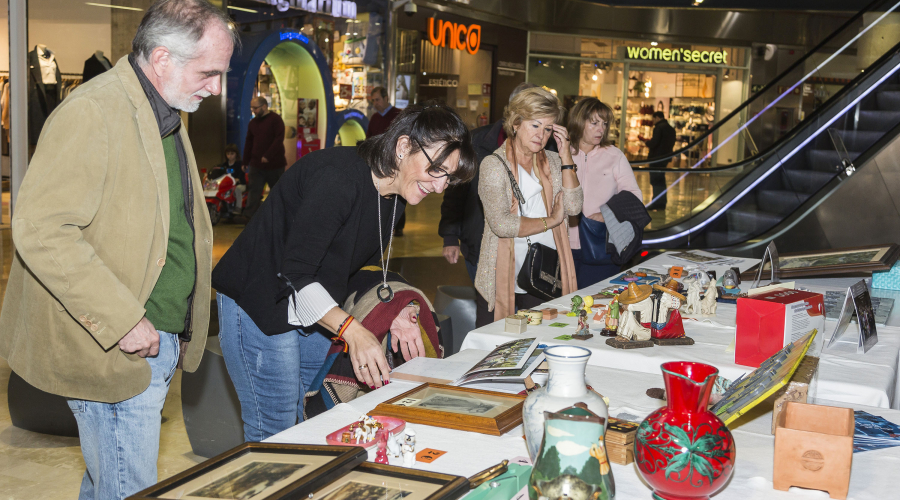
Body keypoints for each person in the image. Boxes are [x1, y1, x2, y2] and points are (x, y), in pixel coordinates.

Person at [0, 1, 237, 498]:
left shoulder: (164, 111)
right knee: (129, 489)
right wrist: (123, 318)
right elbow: (42, 228)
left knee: (108, 483)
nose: (216, 88)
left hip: (154, 341)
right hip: (117, 348)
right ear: (162, 58)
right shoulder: (93, 111)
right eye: (209, 72)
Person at [211, 104, 477, 442]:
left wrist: (393, 309)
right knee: (273, 429)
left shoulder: (393, 201)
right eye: (436, 168)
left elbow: (352, 268)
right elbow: (297, 272)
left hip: (313, 308)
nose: (440, 187)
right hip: (259, 300)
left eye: (448, 178)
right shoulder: (338, 177)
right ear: (403, 146)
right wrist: (354, 331)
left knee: (303, 417)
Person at [474, 87, 583, 327]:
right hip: (502, 275)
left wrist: (566, 157)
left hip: (545, 273)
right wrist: (551, 221)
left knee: (542, 345)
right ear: (515, 123)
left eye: (547, 129)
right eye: (535, 125)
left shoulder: (554, 162)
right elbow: (502, 224)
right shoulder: (493, 166)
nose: (541, 135)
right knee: (496, 347)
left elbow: (574, 207)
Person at [439, 82, 537, 283]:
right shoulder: (476, 142)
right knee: (490, 311)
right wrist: (450, 237)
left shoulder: (546, 146)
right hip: (481, 245)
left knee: (523, 312)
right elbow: (456, 192)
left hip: (528, 248)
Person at [566, 98, 642, 289]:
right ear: (578, 121)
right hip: (562, 245)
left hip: (600, 245)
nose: (601, 129)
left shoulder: (614, 155)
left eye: (604, 123)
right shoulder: (561, 153)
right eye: (594, 123)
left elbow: (634, 195)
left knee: (598, 305)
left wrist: (607, 215)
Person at [367, 86, 406, 235]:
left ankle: (398, 226)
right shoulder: (375, 118)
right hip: (378, 163)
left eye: (377, 100)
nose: (375, 103)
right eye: (373, 101)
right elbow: (369, 138)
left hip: (395, 163)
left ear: (385, 98)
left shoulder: (398, 115)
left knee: (398, 194)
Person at [243, 95, 287, 219]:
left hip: (275, 164)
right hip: (256, 165)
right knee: (254, 191)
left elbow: (279, 139)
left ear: (264, 106)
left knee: (277, 192)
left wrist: (268, 155)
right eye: (252, 108)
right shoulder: (253, 123)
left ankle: (280, 216)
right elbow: (249, 142)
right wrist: (245, 161)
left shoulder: (276, 120)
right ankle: (249, 218)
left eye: (255, 108)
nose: (254, 111)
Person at [642, 110, 676, 210]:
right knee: (661, 180)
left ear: (657, 118)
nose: (653, 121)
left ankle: (656, 203)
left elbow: (654, 142)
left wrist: (646, 143)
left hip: (656, 158)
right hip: (665, 158)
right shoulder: (670, 128)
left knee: (655, 180)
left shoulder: (659, 128)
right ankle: (662, 203)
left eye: (653, 118)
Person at [207, 143, 247, 214]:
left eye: (232, 154)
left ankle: (238, 208)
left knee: (237, 190)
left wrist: (237, 179)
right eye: (228, 154)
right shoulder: (224, 165)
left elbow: (242, 175)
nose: (230, 156)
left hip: (240, 184)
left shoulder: (240, 164)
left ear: (236, 154)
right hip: (228, 185)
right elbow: (219, 174)